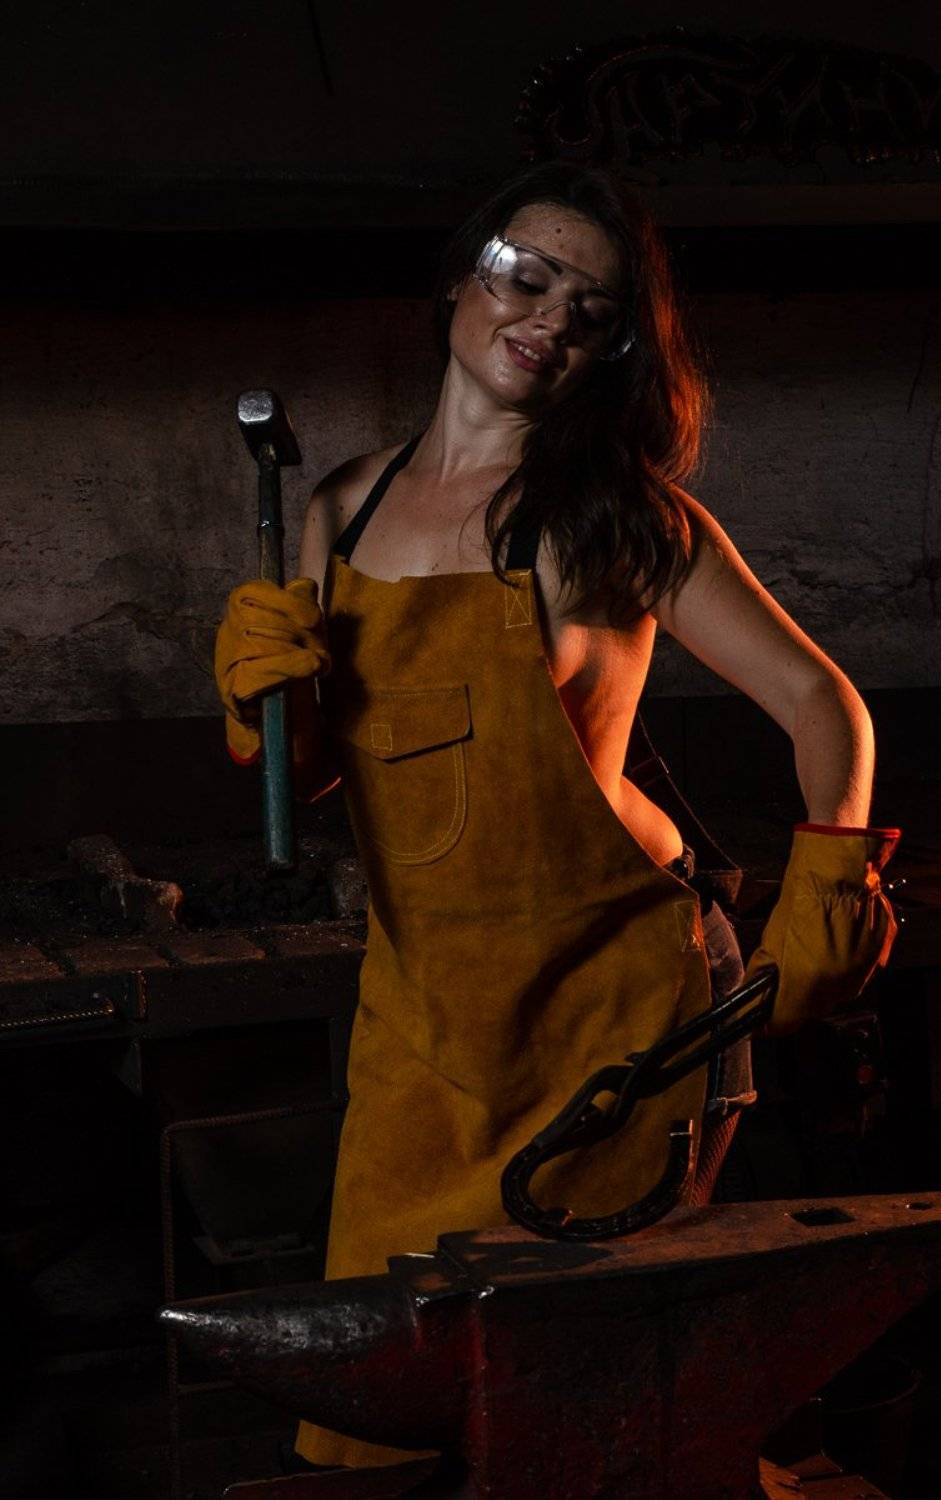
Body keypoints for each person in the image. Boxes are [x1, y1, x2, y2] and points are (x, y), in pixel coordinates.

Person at [214, 162, 899, 1475]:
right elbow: (313, 774)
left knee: (586, 1411)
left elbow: (823, 702)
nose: (549, 318)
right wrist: (258, 698)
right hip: (424, 1019)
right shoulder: (341, 507)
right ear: (460, 282)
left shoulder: (613, 517)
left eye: (591, 308)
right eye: (525, 276)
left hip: (613, 1019)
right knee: (384, 1413)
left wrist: (832, 886)